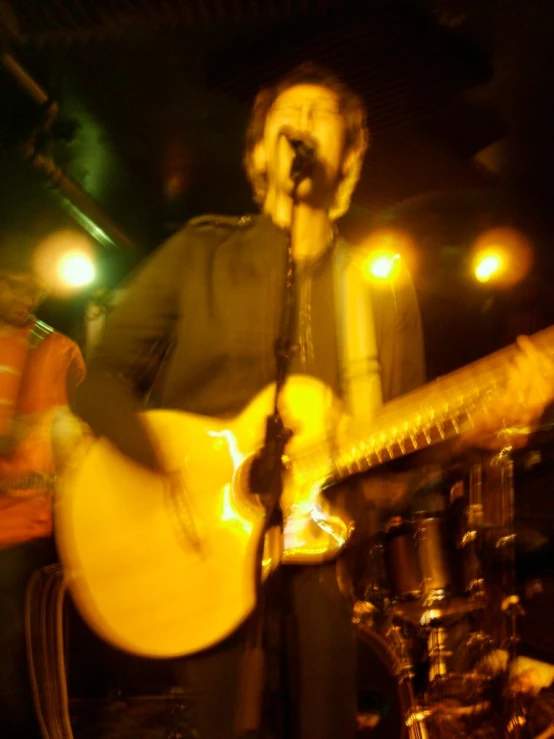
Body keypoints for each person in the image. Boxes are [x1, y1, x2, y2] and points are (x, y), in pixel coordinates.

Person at [75, 63, 554, 739]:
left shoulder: (378, 290)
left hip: (324, 573)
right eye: (285, 115)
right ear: (256, 154)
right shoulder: (197, 254)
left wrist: (472, 427)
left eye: (320, 115)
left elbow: (397, 456)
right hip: (197, 559)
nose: (301, 122)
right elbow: (97, 385)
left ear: (352, 159)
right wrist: (171, 471)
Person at [0, 236, 86, 738]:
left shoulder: (57, 349)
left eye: (33, 287)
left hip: (32, 531)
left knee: (23, 658)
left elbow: (78, 434)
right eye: (12, 283)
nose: (25, 297)